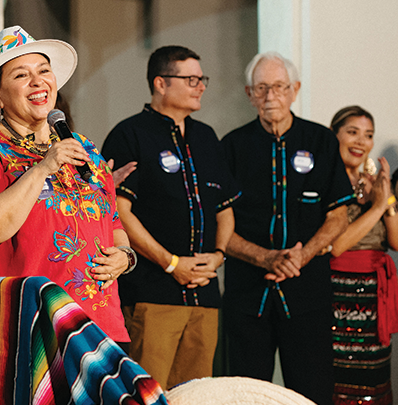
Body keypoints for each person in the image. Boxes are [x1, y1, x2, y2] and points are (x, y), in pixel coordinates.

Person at [0, 26, 133, 345]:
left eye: (44, 70)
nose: (37, 81)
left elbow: (112, 221)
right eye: (21, 75)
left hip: (101, 322)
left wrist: (125, 254)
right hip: (32, 321)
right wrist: (45, 167)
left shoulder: (83, 148)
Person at [102, 45, 240, 389]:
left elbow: (225, 208)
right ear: (161, 83)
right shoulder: (129, 134)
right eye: (191, 78)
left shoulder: (206, 136)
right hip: (153, 293)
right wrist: (171, 264)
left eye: (202, 78)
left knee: (198, 393)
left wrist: (219, 256)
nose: (201, 86)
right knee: (149, 393)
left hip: (205, 293)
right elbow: (119, 211)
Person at [221, 52, 354, 405]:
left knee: (313, 391)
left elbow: (339, 213)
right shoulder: (231, 147)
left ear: (294, 90)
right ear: (249, 94)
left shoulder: (321, 141)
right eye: (261, 88)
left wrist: (301, 256)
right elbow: (218, 223)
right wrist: (265, 257)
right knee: (244, 394)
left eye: (279, 87)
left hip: (307, 293)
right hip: (248, 297)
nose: (270, 96)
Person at [327, 106, 398, 405]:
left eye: (368, 135)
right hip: (338, 296)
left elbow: (395, 240)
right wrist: (378, 208)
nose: (361, 141)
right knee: (338, 381)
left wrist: (386, 197)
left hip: (375, 295)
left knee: (375, 380)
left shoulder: (373, 184)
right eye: (352, 132)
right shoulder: (327, 182)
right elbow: (338, 244)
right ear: (335, 136)